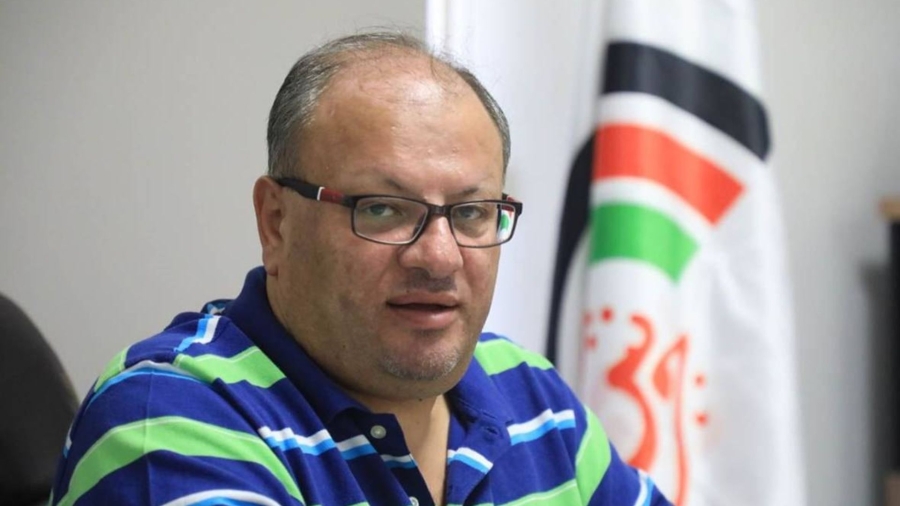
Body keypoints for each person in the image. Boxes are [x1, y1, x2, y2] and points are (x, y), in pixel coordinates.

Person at [51, 32, 671, 506]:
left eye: (471, 213)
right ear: (276, 222)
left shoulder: (530, 394)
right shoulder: (168, 418)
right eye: (382, 209)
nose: (439, 256)